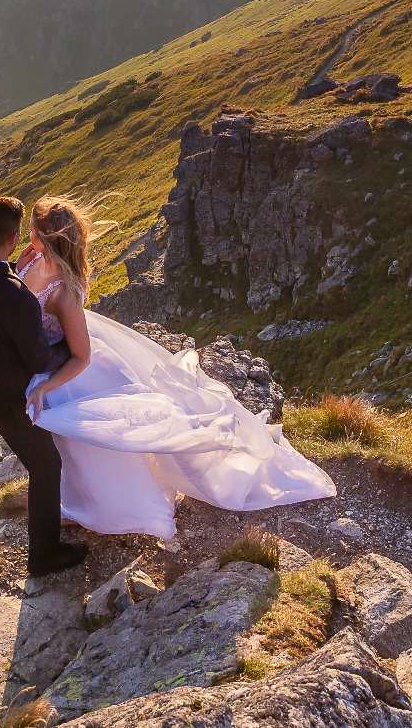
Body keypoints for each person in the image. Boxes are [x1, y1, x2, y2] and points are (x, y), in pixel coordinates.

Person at [17, 195, 336, 540]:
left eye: (31, 228)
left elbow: (82, 356)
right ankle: (73, 498)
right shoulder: (30, 259)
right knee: (70, 442)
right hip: (44, 357)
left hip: (70, 367)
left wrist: (44, 387)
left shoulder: (64, 294)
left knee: (91, 442)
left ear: (40, 234)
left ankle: (103, 507)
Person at [0, 195, 88, 576]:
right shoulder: (19, 297)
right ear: (11, 241)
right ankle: (43, 555)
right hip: (8, 397)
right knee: (45, 465)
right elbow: (40, 360)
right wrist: (64, 346)